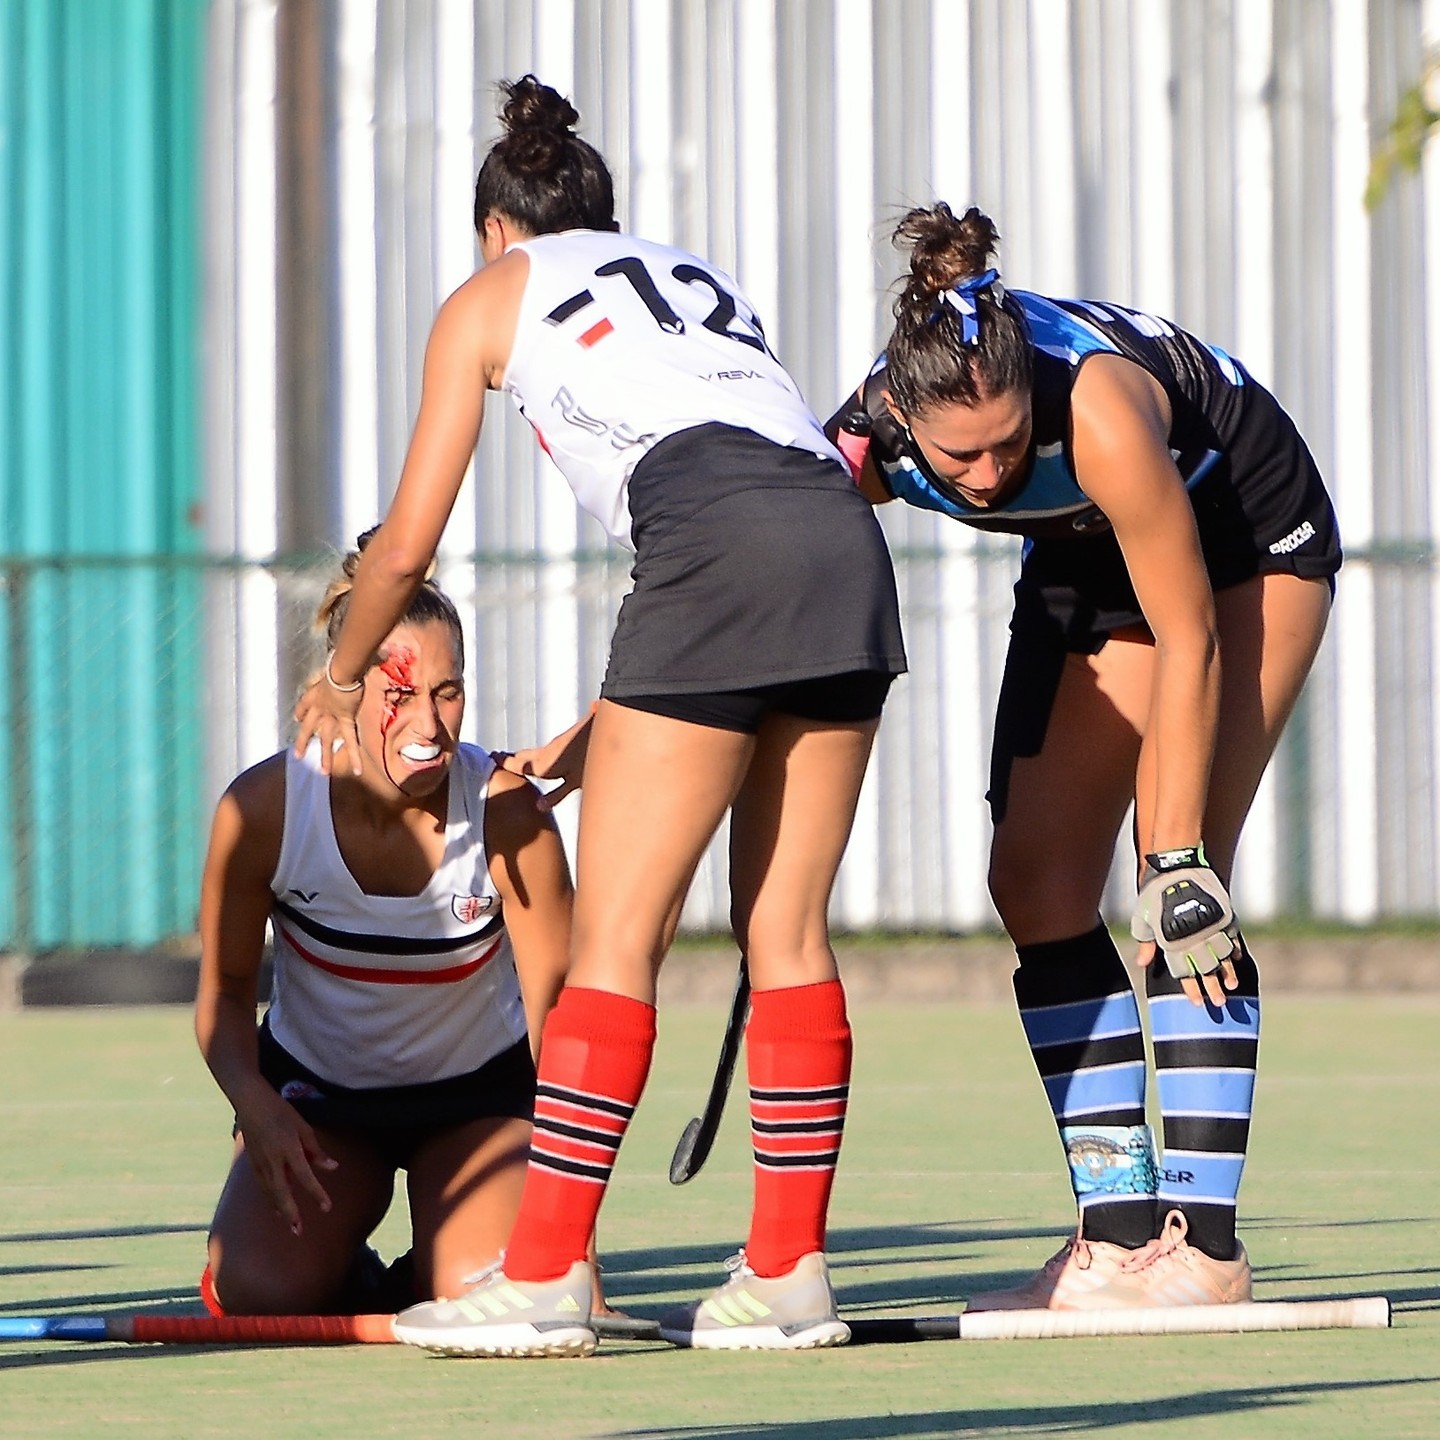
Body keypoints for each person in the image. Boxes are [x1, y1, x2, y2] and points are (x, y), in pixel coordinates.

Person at [291, 76, 907, 1356]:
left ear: (496, 233)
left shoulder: (491, 296)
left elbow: (407, 546)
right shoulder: (692, 272)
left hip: (710, 556)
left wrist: (346, 671)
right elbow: (761, 491)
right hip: (839, 548)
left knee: (618, 945)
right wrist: (607, 720)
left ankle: (546, 1274)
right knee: (786, 928)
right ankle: (788, 1277)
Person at [827, 202, 1340, 1311]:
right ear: (906, 413)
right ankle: (1114, 1237)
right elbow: (794, 541)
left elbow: (1191, 631)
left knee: (1178, 897)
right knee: (1037, 883)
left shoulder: (1098, 415)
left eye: (1012, 442)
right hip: (1084, 555)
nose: (988, 469)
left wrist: (1174, 851)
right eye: (961, 452)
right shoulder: (870, 437)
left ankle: (1202, 1252)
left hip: (1246, 539)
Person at [195, 533, 575, 1315]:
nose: (428, 726)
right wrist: (257, 1108)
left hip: (478, 1101)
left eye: (448, 691)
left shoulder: (508, 814)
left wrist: (571, 1224)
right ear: (347, 692)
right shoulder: (263, 809)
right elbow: (225, 996)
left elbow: (562, 1020)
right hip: (320, 1100)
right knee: (257, 1290)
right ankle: (352, 1271)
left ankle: (435, 1267)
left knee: (486, 1291)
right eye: (399, 694)